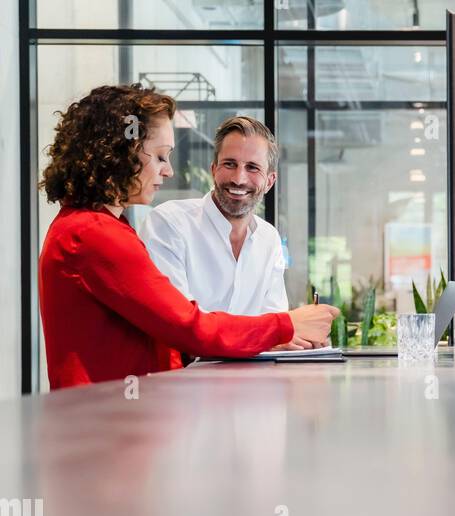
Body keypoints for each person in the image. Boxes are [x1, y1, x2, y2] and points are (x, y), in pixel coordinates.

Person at [38, 86, 337, 390]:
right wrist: (286, 325)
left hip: (122, 414)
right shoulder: (94, 235)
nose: (167, 171)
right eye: (159, 156)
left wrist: (281, 331)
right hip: (108, 421)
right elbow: (187, 327)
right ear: (120, 153)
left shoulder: (95, 228)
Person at [140, 114, 290, 316]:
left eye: (252, 167)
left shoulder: (269, 239)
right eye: (229, 164)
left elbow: (276, 323)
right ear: (213, 170)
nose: (238, 179)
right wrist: (269, 333)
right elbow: (176, 322)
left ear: (270, 181)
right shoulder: (168, 223)